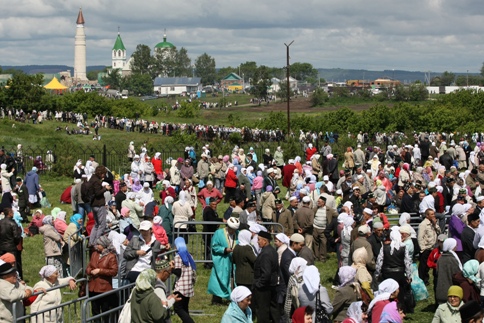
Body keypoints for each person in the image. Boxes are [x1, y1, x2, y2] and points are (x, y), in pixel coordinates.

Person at [374, 226, 412, 312]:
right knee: (400, 292)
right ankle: (400, 309)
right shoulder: (403, 247)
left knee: (388, 292)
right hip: (400, 273)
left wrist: (377, 273)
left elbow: (379, 262)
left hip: (387, 273)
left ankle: (387, 307)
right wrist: (409, 276)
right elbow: (407, 262)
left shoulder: (384, 247)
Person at [208, 217, 239, 305]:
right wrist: (224, 249)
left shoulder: (237, 234)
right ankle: (216, 299)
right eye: (231, 229)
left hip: (233, 261)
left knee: (233, 279)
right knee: (219, 278)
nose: (233, 231)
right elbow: (214, 246)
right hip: (222, 260)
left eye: (234, 229)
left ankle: (232, 297)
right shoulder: (219, 233)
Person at [86, 236, 118, 322]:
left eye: (99, 244)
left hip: (104, 288)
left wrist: (100, 271)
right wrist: (90, 271)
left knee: (105, 310)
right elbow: (88, 267)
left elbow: (114, 271)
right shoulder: (94, 254)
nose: (96, 246)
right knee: (95, 310)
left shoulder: (111, 256)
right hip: (93, 287)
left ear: (104, 245)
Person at [253, 230, 281, 323]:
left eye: (259, 239)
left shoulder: (266, 254)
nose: (257, 241)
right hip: (272, 285)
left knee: (262, 311)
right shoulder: (272, 250)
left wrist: (258, 284)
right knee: (273, 309)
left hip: (264, 288)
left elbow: (266, 273)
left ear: (265, 241)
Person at [172, 237, 196, 323]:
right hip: (188, 285)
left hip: (181, 287)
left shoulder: (178, 256)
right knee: (185, 308)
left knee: (178, 308)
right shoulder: (189, 255)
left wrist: (170, 269)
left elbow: (178, 272)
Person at [88, 166, 111, 247]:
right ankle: (97, 241)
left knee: (97, 224)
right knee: (102, 225)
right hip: (99, 204)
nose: (104, 176)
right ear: (100, 173)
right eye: (103, 174)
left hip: (93, 205)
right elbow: (97, 193)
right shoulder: (97, 181)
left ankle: (91, 241)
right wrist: (105, 188)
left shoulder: (92, 179)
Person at [435, 238, 462, 305]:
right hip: (450, 292)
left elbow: (437, 273)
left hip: (440, 290)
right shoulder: (452, 259)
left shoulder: (441, 258)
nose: (456, 247)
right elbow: (457, 274)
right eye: (455, 245)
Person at [418, 208, 441, 285]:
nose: (433, 215)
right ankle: (422, 279)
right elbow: (420, 237)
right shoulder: (423, 224)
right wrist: (423, 248)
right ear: (427, 215)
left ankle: (426, 279)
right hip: (426, 248)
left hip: (433, 247)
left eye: (434, 214)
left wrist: (435, 224)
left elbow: (439, 232)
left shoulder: (433, 223)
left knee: (428, 266)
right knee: (423, 266)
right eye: (431, 214)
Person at [0, 208, 22, 278]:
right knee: (13, 264)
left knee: (3, 263)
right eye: (12, 212)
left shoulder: (0, 222)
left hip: (1, 247)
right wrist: (15, 243)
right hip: (11, 247)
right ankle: (15, 278)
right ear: (9, 213)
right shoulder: (12, 223)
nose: (13, 214)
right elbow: (16, 237)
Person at [202, 197, 224, 269]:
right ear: (210, 204)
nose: (215, 206)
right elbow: (211, 219)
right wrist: (220, 220)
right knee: (208, 248)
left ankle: (209, 262)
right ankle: (208, 263)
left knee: (210, 247)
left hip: (212, 232)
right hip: (208, 233)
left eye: (215, 204)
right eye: (213, 204)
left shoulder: (212, 210)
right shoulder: (208, 210)